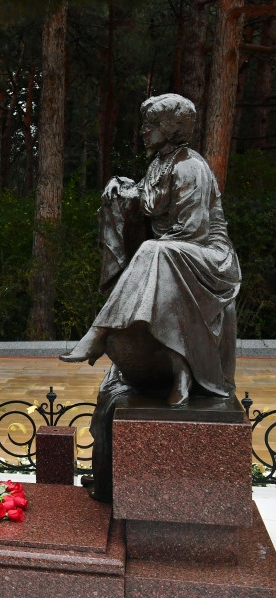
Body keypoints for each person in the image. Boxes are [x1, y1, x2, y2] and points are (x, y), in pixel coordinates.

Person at [60, 93, 241, 501]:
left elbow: (193, 231)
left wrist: (150, 246)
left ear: (171, 128)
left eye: (150, 124)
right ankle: (170, 365)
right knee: (154, 253)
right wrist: (121, 187)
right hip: (171, 255)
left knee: (153, 252)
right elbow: (145, 198)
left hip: (210, 259)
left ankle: (99, 333)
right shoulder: (160, 162)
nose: (143, 131)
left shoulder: (191, 166)